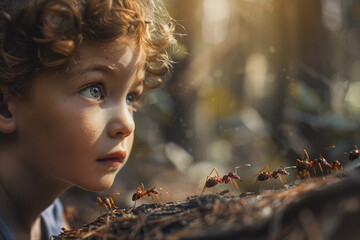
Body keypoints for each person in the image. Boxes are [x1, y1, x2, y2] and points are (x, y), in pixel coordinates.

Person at [0, 0, 175, 239]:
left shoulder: (51, 218)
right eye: (94, 90)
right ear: (5, 106)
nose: (127, 124)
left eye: (131, 97)